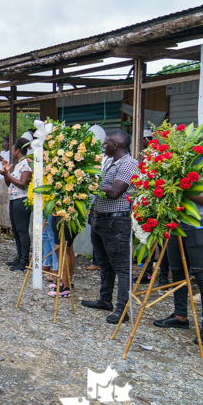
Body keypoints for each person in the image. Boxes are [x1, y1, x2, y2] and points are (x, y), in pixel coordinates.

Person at [81, 130, 138, 325]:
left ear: (116, 145)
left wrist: (88, 186)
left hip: (117, 221)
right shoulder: (109, 163)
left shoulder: (129, 164)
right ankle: (105, 300)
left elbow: (114, 192)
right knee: (104, 263)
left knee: (121, 267)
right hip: (100, 219)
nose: (103, 146)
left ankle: (122, 310)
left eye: (106, 143)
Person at [153, 182, 203, 346]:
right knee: (177, 270)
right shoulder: (182, 159)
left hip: (200, 222)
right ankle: (180, 315)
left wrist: (175, 188)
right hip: (177, 221)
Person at [0, 139, 33, 271]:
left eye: (13, 150)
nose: (12, 152)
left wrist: (7, 174)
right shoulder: (18, 165)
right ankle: (19, 256)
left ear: (18, 150)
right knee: (16, 230)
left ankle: (24, 260)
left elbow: (23, 184)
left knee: (23, 230)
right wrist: (6, 171)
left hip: (22, 199)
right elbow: (9, 183)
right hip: (14, 198)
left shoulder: (26, 165)